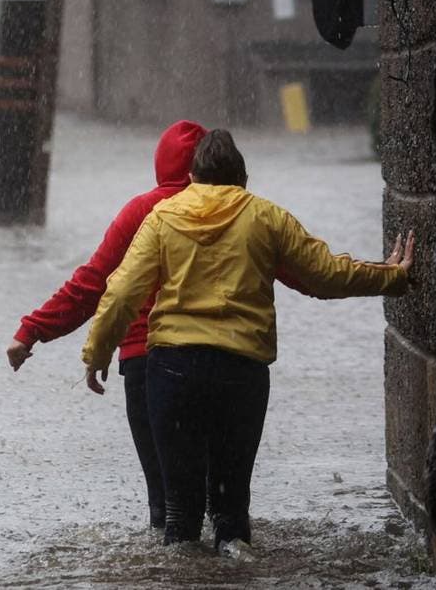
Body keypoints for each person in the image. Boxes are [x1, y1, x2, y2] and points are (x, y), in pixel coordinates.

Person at [80, 129, 414, 550]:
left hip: (173, 371)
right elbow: (325, 275)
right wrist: (392, 276)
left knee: (180, 515)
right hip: (240, 373)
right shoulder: (266, 217)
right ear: (241, 176)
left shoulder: (163, 219)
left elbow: (122, 292)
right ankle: (237, 563)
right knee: (230, 509)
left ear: (194, 176)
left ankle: (178, 577)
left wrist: (97, 353)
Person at [7, 120, 207, 529]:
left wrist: (32, 330)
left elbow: (92, 286)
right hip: (216, 361)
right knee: (219, 495)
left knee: (166, 499)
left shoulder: (140, 212)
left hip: (145, 365)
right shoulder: (233, 211)